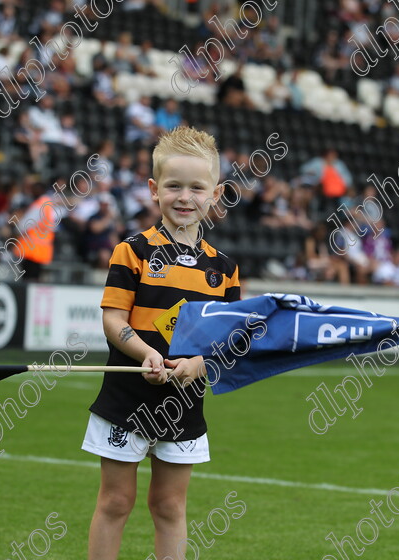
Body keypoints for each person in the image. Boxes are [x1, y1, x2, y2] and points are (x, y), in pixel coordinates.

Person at [82, 126, 240, 560]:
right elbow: (114, 320)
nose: (184, 197)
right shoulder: (131, 252)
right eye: (173, 186)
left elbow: (229, 343)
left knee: (169, 506)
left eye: (196, 187)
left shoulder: (225, 270)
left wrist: (199, 366)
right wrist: (148, 354)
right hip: (127, 395)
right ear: (154, 190)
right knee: (115, 502)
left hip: (185, 401)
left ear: (216, 194)